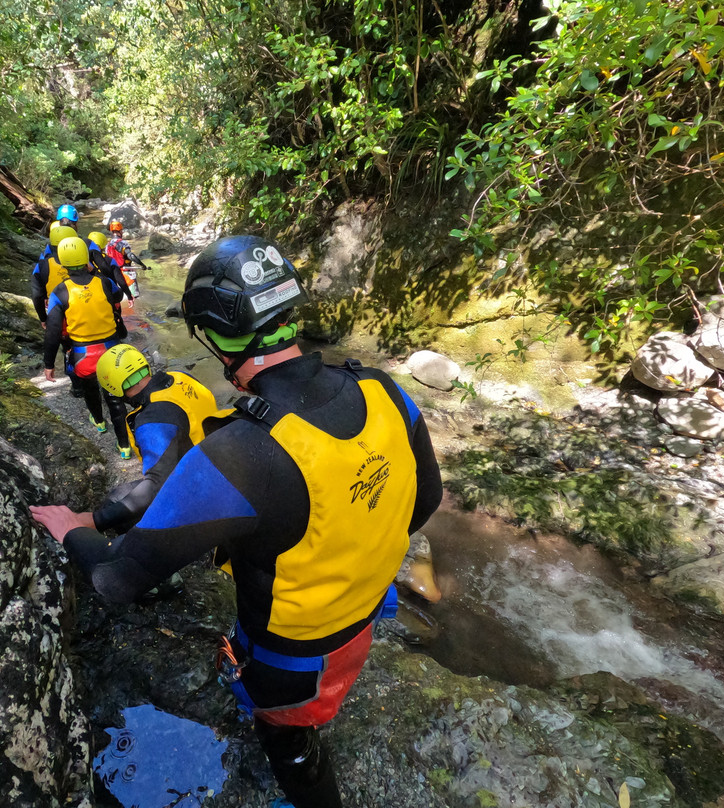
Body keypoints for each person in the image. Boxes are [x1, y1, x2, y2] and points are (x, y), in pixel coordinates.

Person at [31, 235, 443, 807]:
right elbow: (423, 503)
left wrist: (69, 526)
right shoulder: (385, 390)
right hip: (364, 617)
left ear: (218, 337)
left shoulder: (239, 454)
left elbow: (116, 581)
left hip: (289, 664)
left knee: (288, 739)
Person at [82, 344, 218, 532]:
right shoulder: (180, 376)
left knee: (114, 501)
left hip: (200, 489)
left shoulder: (152, 421)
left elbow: (155, 486)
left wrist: (98, 520)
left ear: (112, 388)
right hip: (217, 462)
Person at [43, 236, 132, 458]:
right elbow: (118, 294)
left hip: (83, 356)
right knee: (114, 397)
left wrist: (48, 364)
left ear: (62, 263)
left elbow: (53, 331)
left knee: (90, 387)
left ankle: (99, 422)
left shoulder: (59, 292)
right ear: (87, 259)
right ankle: (124, 446)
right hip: (111, 351)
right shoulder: (102, 281)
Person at [86, 231, 134, 338]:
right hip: (111, 296)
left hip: (90, 297)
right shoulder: (109, 260)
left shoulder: (85, 264)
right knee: (116, 322)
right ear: (103, 245)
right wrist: (129, 296)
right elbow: (120, 280)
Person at [105, 221, 148, 304]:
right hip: (127, 274)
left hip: (114, 276)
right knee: (136, 299)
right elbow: (131, 256)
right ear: (120, 231)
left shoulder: (108, 245)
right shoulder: (123, 243)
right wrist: (142, 265)